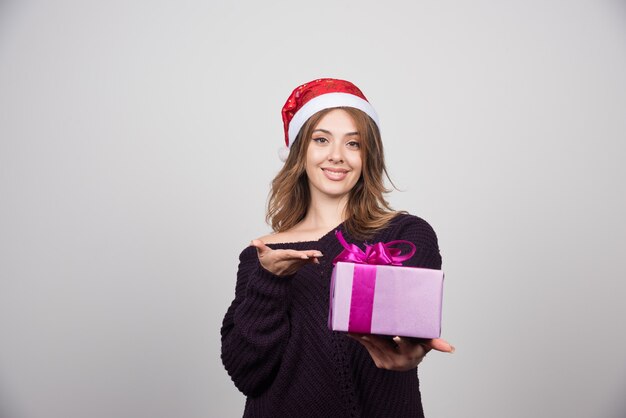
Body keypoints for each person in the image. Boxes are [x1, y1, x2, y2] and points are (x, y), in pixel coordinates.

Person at [221, 78, 454, 418]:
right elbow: (247, 373)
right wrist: (270, 282)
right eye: (321, 139)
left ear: (367, 155)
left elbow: (407, 328)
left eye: (353, 144)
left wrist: (409, 353)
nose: (336, 156)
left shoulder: (404, 236)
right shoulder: (262, 256)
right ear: (299, 152)